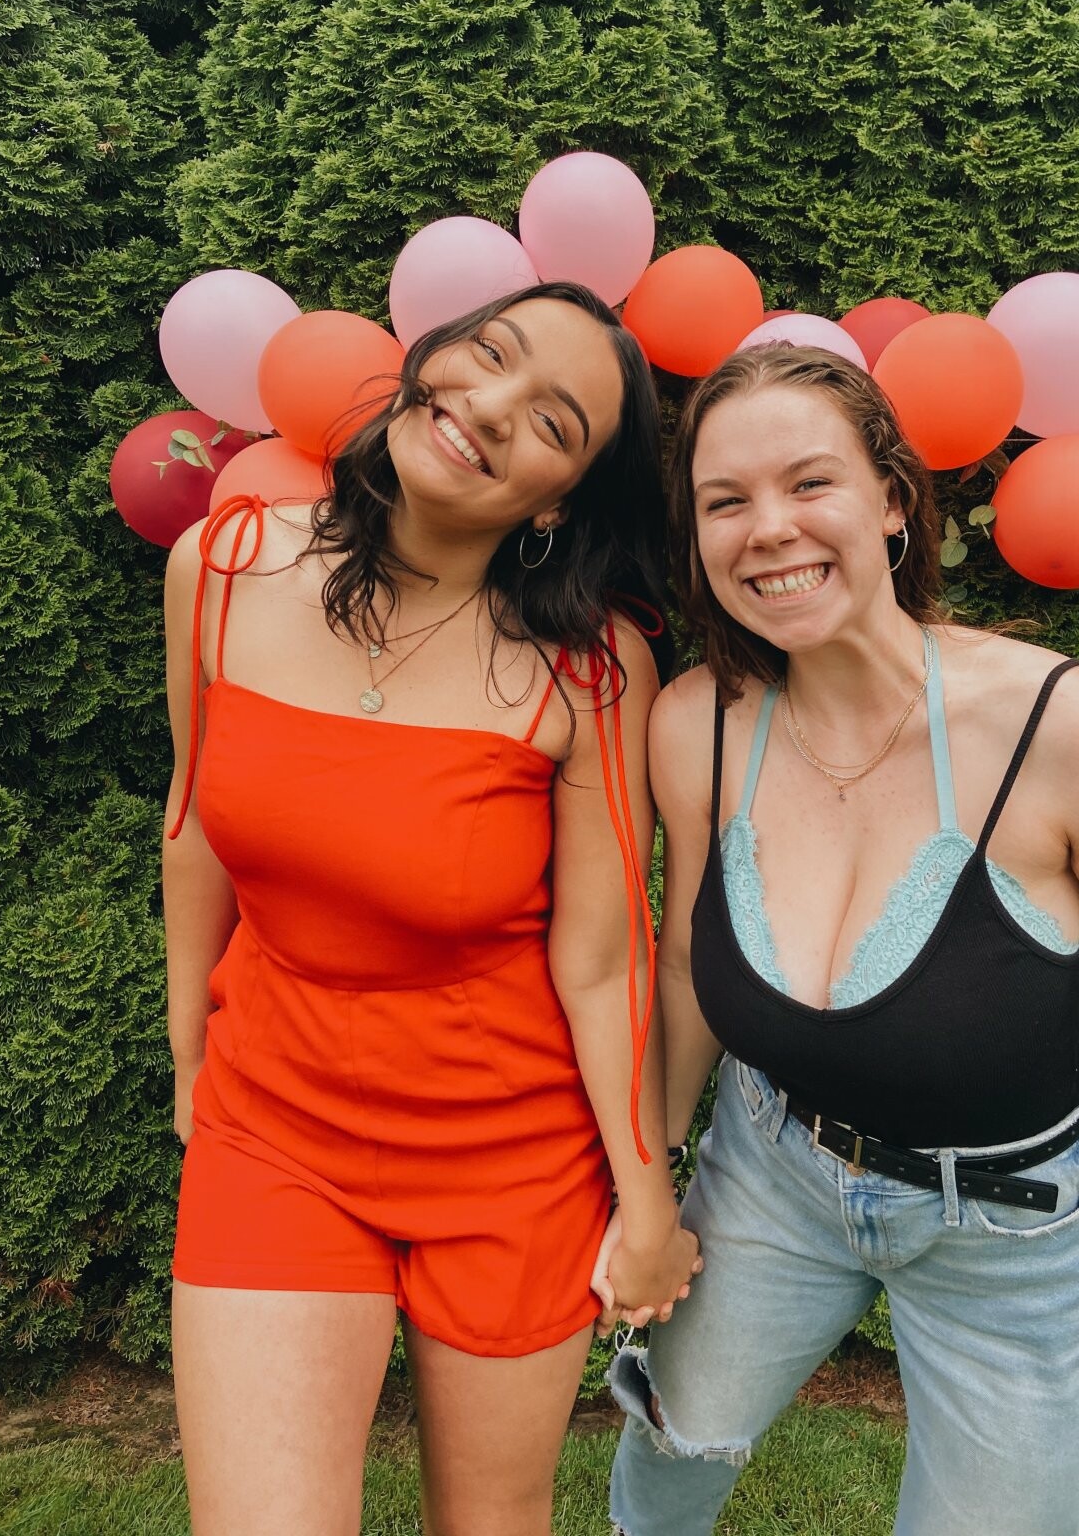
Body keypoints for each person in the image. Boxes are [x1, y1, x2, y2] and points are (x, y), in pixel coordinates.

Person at [604, 343, 1079, 1536]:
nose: (769, 529)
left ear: (893, 501)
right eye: (724, 501)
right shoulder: (700, 725)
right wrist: (642, 1182)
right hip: (773, 1166)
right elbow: (689, 964)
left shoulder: (1065, 729)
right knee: (671, 1447)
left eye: (810, 483)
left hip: (1015, 1226)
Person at [163, 282, 700, 1536]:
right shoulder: (221, 566)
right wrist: (187, 1053)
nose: (492, 406)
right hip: (274, 1128)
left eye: (553, 421)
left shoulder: (590, 670)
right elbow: (191, 825)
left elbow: (605, 959)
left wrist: (646, 1198)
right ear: (431, 357)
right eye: (489, 354)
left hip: (511, 1161)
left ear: (557, 502)